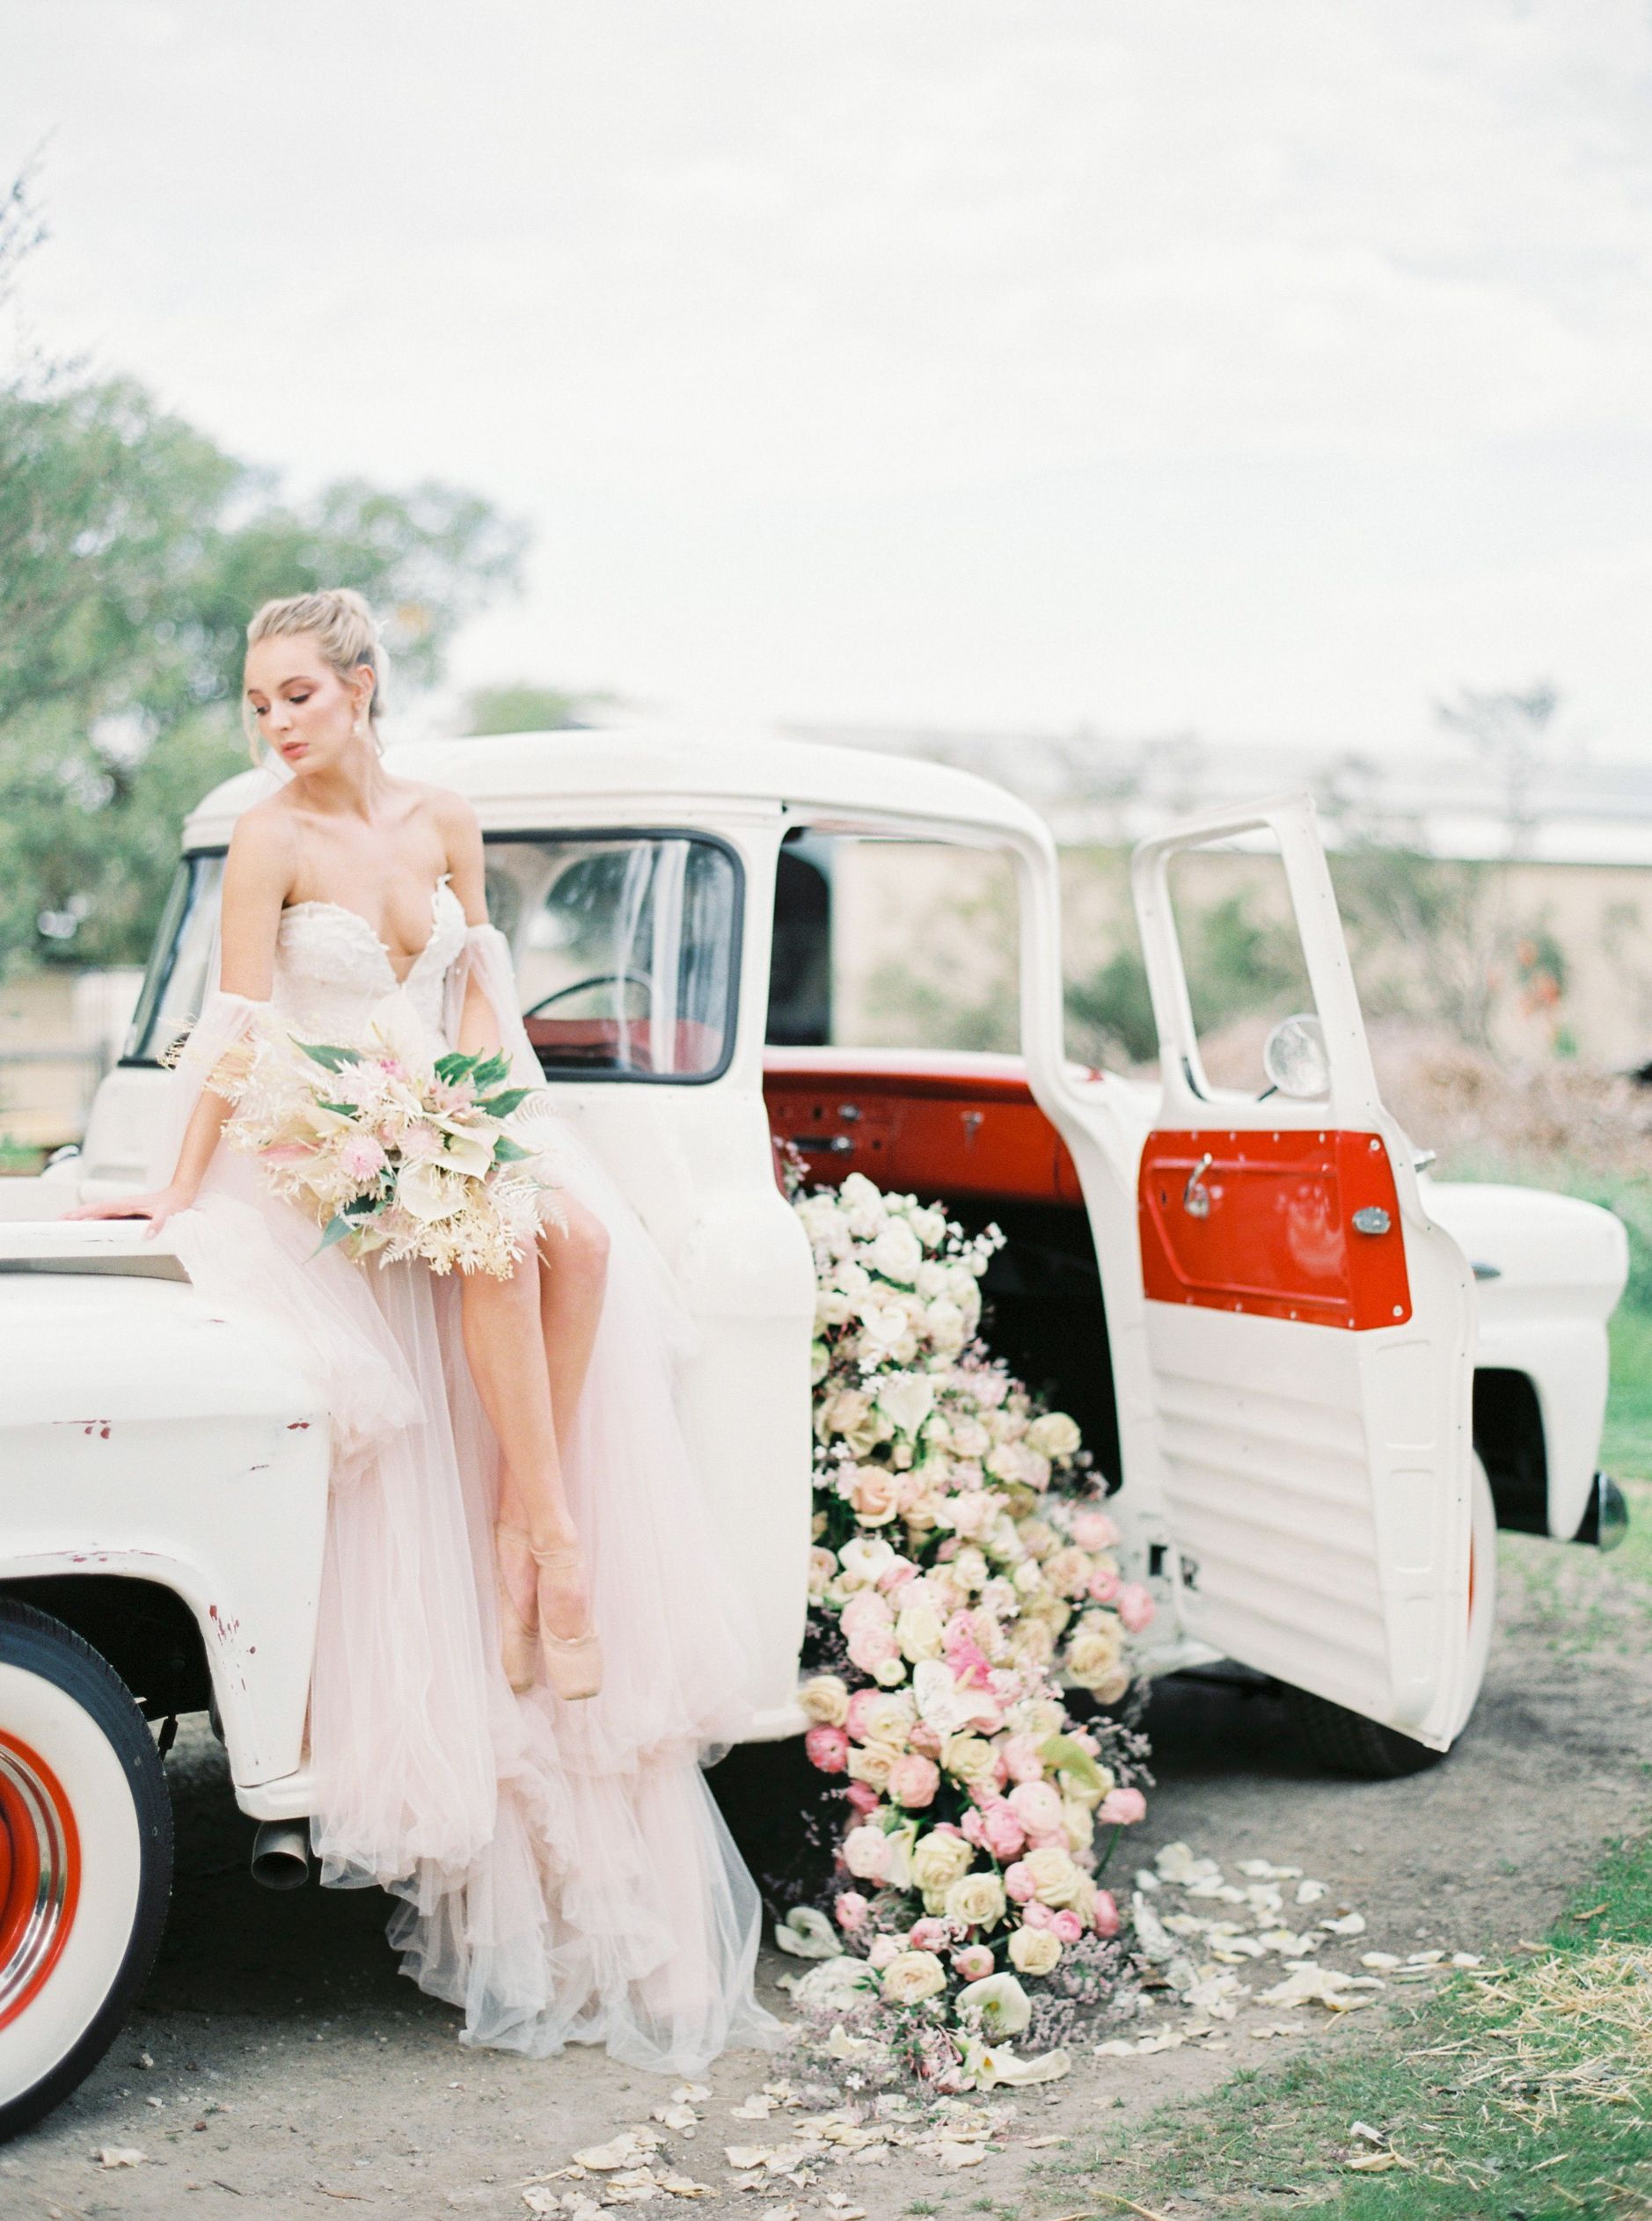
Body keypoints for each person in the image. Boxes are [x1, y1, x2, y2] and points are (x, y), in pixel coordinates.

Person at [67, 588, 778, 2074]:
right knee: (504, 1242)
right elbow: (240, 1025)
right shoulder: (268, 839)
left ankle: (529, 1525)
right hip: (314, 1139)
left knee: (572, 1232)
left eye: (298, 698)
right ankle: (548, 1545)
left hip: (435, 1108)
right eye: (258, 704)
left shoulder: (445, 819)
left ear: (362, 688)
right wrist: (176, 1187)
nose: (275, 725)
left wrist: (499, 1129)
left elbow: (473, 1005)